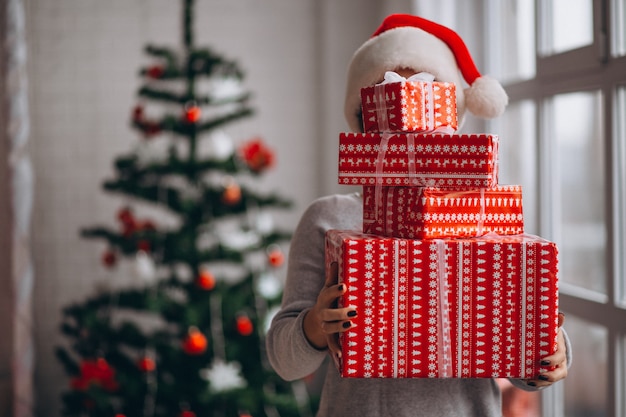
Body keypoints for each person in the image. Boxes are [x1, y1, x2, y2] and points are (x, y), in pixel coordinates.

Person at [266, 14, 571, 416]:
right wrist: (317, 324)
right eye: (388, 97)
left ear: (451, 119)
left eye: (424, 96)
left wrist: (550, 348)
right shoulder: (328, 219)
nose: (407, 121)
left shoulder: (478, 211)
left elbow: (518, 356)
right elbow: (286, 361)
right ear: (362, 121)